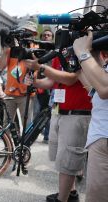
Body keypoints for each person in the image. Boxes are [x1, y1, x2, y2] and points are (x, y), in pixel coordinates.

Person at [24, 48, 92, 202]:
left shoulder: (83, 50)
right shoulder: (60, 53)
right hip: (59, 110)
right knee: (63, 159)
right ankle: (71, 193)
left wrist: (41, 68)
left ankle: (63, 199)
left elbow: (71, 78)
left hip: (77, 112)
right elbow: (52, 81)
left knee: (68, 160)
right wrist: (35, 82)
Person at [73, 31, 108, 202]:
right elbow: (98, 86)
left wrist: (83, 53)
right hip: (101, 138)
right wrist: (92, 57)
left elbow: (104, 88)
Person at [0, 21, 38, 131]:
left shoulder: (35, 48)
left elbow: (38, 66)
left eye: (29, 33)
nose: (26, 36)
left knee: (27, 124)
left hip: (26, 93)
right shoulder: (11, 48)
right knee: (7, 125)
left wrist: (30, 51)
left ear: (34, 34)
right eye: (24, 32)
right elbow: (0, 67)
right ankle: (8, 147)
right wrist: (6, 50)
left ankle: (25, 147)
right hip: (10, 93)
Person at [33, 28, 54, 143]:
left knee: (49, 112)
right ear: (41, 38)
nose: (46, 37)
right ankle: (34, 135)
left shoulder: (55, 52)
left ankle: (47, 136)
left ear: (52, 37)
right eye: (44, 35)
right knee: (37, 112)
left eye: (49, 35)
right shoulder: (37, 52)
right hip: (39, 86)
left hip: (51, 86)